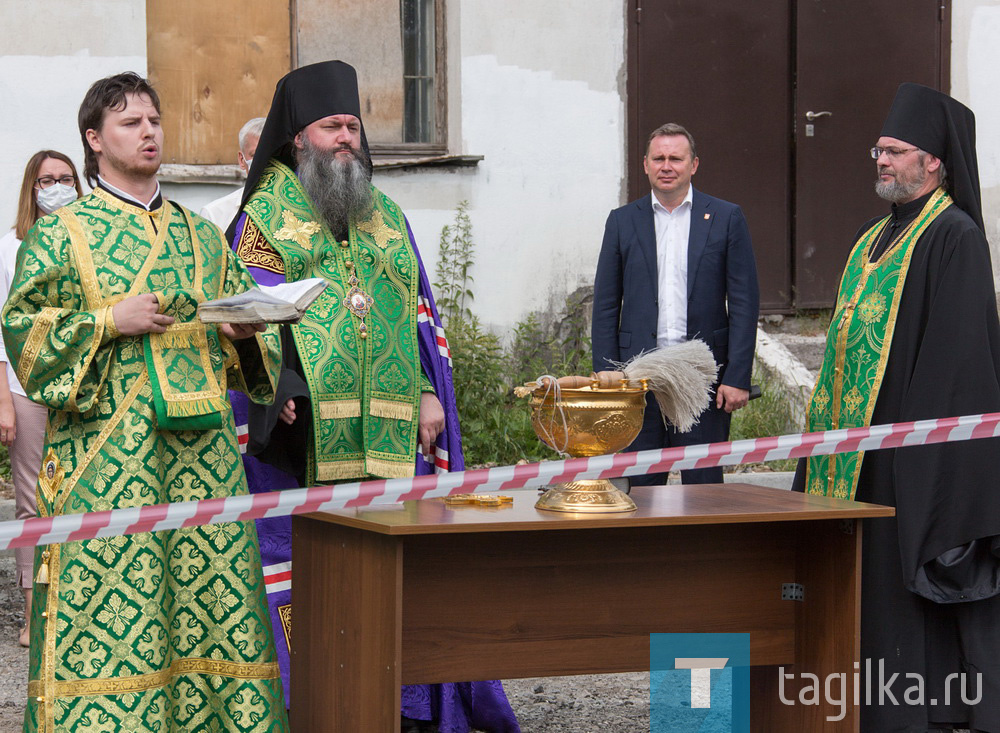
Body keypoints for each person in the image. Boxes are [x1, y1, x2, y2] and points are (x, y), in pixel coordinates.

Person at [228, 60, 519, 732]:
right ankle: (319, 703)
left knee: (398, 573)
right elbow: (244, 316)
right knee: (312, 578)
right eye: (332, 125)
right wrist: (275, 390)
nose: (346, 138)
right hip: (302, 449)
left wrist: (426, 392)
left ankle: (408, 705)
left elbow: (414, 314)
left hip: (394, 441)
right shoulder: (258, 222)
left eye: (353, 126)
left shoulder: (383, 213)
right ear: (297, 137)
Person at [1, 72, 289, 732]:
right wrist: (108, 321)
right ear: (94, 140)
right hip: (110, 460)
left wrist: (245, 335)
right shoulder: (61, 232)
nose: (149, 131)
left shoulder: (201, 234)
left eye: (155, 120)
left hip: (205, 457)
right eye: (131, 122)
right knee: (114, 613)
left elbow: (253, 343)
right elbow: (26, 333)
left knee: (210, 609)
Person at [794, 83, 1000, 731]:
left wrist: (922, 459)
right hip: (848, 451)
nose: (881, 160)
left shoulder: (953, 237)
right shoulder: (872, 236)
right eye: (877, 150)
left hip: (906, 460)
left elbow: (961, 364)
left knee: (897, 595)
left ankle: (914, 708)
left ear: (934, 160)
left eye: (895, 151)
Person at [592, 123, 759, 485]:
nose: (667, 166)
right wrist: (607, 378)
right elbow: (605, 305)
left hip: (702, 380)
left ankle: (704, 545)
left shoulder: (726, 218)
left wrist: (737, 377)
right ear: (645, 165)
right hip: (636, 381)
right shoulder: (622, 222)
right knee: (639, 488)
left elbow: (745, 303)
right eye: (659, 158)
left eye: (676, 159)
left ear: (693, 165)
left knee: (704, 487)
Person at [0, 150, 83, 648]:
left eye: (65, 178)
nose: (56, 186)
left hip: (80, 386)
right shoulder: (11, 248)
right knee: (33, 499)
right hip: (27, 390)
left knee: (82, 495)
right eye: (46, 180)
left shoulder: (89, 238)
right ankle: (35, 607)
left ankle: (78, 602)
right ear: (31, 188)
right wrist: (3, 402)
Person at [199, 117, 264, 228]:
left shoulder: (299, 210)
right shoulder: (214, 215)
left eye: (272, 155)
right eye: (256, 155)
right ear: (242, 160)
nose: (264, 162)